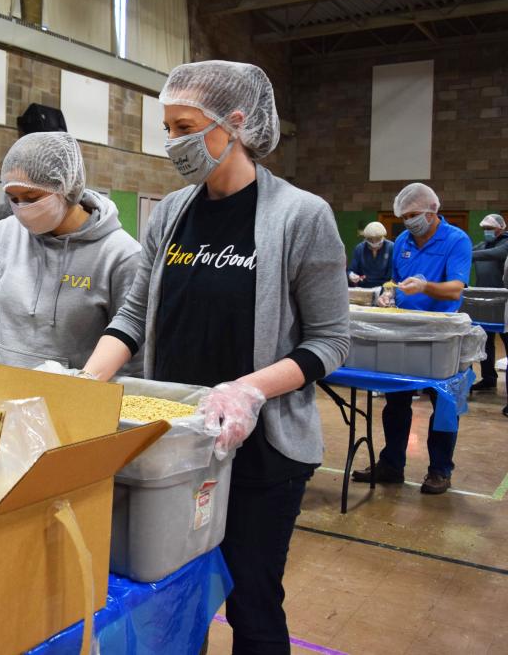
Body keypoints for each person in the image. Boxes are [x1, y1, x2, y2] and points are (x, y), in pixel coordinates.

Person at [80, 60, 350, 654]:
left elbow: (331, 341)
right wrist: (85, 382)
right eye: (168, 128)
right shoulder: (170, 214)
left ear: (235, 124)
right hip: (173, 447)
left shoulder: (301, 216)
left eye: (184, 126)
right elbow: (130, 318)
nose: (173, 142)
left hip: (260, 451)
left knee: (251, 599)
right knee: (172, 599)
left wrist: (249, 390)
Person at [0, 132, 143, 373]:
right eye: (13, 198)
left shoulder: (120, 254)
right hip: (3, 391)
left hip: (73, 399)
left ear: (67, 188)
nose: (22, 209)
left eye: (32, 198)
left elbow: (132, 351)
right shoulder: (4, 234)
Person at [353, 183, 472, 494]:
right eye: (404, 216)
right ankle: (392, 464)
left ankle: (440, 469)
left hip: (441, 332)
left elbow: (456, 288)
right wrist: (388, 294)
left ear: (432, 212)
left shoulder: (456, 240)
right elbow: (394, 280)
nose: (408, 222)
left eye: (413, 215)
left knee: (443, 404)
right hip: (404, 328)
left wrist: (425, 286)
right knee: (396, 400)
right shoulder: (403, 240)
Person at [471, 213, 508, 391]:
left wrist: (470, 254)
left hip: (504, 303)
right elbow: (469, 253)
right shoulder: (482, 245)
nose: (487, 232)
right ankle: (488, 378)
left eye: (490, 228)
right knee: (485, 341)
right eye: (484, 229)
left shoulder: (505, 243)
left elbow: (497, 253)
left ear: (501, 228)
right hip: (484, 301)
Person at [348, 221, 393, 288]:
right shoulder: (360, 248)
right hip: (363, 287)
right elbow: (351, 270)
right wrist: (351, 275)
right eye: (370, 240)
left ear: (383, 237)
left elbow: (393, 273)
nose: (374, 243)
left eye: (377, 240)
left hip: (384, 287)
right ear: (366, 238)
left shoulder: (391, 247)